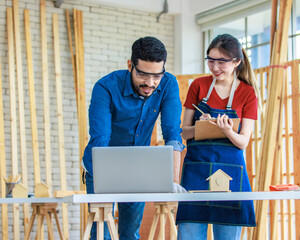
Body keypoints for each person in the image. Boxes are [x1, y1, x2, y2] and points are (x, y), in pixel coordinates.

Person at [82, 36, 186, 240]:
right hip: (100, 165)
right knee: (101, 232)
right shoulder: (105, 87)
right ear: (130, 65)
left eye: (157, 76)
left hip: (137, 167)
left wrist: (172, 181)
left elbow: (172, 133)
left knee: (130, 233)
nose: (150, 83)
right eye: (143, 75)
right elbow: (100, 141)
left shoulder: (168, 84)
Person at [176, 34, 261, 239]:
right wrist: (203, 126)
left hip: (229, 174)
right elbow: (184, 132)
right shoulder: (198, 86)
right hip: (196, 170)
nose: (215, 67)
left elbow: (243, 142)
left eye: (221, 62)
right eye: (211, 60)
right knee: (189, 233)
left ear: (237, 62)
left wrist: (227, 130)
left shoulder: (248, 93)